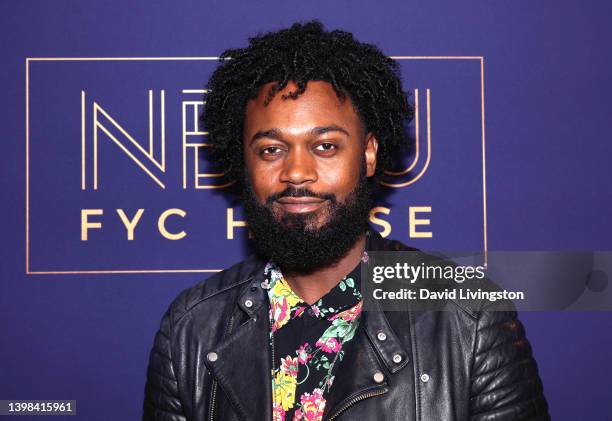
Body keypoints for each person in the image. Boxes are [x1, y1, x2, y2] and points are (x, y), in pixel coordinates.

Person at [143, 21, 549, 421]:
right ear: (243, 163)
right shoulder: (192, 330)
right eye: (271, 150)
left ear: (368, 154)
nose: (297, 172)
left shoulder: (467, 317)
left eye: (325, 146)